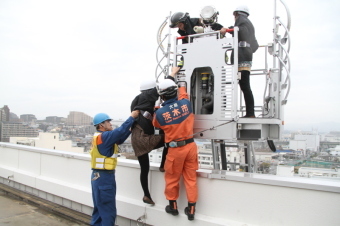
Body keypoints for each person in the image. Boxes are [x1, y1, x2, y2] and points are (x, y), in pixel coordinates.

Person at [153, 67, 198, 221]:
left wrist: (159, 108)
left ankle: (173, 207)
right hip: (191, 147)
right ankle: (191, 209)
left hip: (175, 150)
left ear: (162, 95)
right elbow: (183, 94)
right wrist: (180, 82)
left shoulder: (159, 114)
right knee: (191, 178)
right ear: (176, 91)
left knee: (172, 178)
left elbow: (157, 125)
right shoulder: (186, 104)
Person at [90, 111, 139, 226]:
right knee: (108, 211)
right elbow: (119, 131)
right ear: (101, 125)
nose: (111, 124)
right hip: (104, 179)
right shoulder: (104, 136)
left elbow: (119, 139)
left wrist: (130, 129)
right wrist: (132, 117)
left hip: (98, 177)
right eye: (108, 122)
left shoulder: (100, 137)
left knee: (99, 209)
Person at [130, 79, 167, 205]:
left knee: (144, 169)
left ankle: (146, 195)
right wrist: (172, 75)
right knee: (168, 138)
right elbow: (162, 88)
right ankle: (163, 165)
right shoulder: (148, 95)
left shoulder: (136, 100)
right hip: (143, 138)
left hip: (135, 139)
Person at [220, 5, 259, 118]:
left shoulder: (241, 21)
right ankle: (250, 113)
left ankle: (250, 113)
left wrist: (229, 30)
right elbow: (255, 45)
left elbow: (241, 31)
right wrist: (248, 50)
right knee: (244, 85)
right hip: (246, 57)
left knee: (244, 86)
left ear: (236, 14)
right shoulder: (249, 23)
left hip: (241, 58)